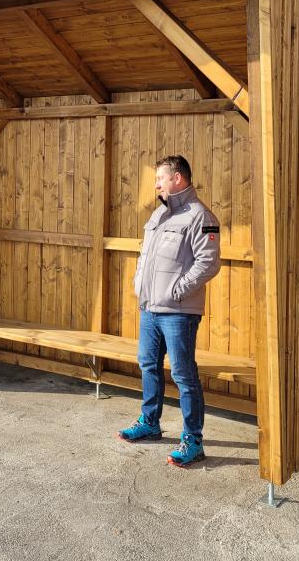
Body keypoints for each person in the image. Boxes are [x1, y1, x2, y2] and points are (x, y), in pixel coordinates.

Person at [117, 155, 221, 467]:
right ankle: (150, 423)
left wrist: (176, 291)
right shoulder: (159, 216)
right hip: (150, 308)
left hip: (178, 312)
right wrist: (141, 286)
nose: (156, 183)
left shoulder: (201, 217)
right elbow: (144, 258)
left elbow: (209, 262)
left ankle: (193, 440)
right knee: (148, 364)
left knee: (183, 374)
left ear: (177, 178)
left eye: (160, 178)